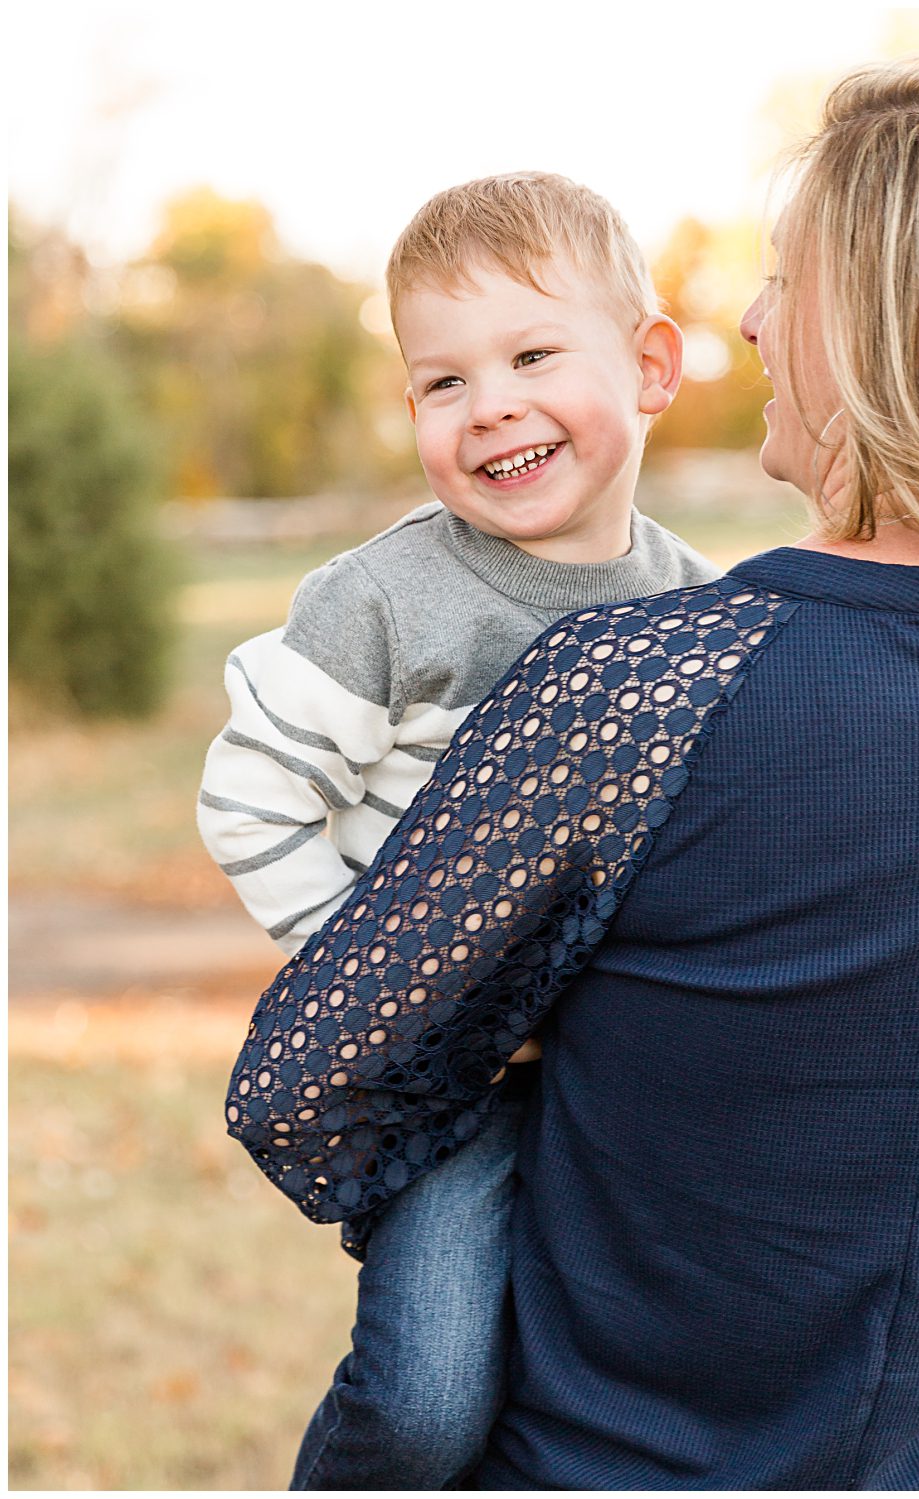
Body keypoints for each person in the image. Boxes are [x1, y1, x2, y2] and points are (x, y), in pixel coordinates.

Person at [226, 53, 919, 1489]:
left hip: (611, 1448)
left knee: (425, 1394)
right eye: (445, 379)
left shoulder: (652, 674)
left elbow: (315, 1064)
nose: (752, 317)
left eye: (787, 278)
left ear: (892, 316)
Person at [198, 171, 716, 1487]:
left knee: (621, 1374)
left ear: (653, 366)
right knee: (429, 1393)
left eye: (534, 353)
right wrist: (387, 986)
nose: (490, 404)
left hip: (627, 1065)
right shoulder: (382, 601)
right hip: (449, 1083)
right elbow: (250, 797)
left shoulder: (700, 607)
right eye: (443, 381)